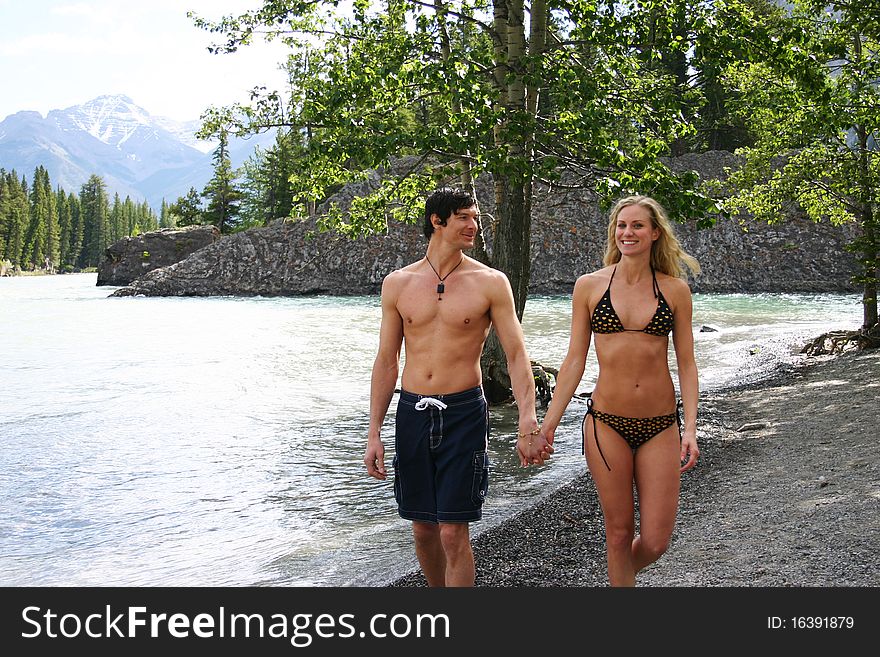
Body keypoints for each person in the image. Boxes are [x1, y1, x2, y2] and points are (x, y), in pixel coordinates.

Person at [364, 187, 552, 587]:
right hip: (412, 411)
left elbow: (517, 355)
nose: (474, 225)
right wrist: (373, 432)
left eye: (476, 217)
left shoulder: (490, 282)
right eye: (465, 217)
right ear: (438, 220)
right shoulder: (398, 283)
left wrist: (528, 421)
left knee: (453, 529)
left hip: (464, 412)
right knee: (423, 530)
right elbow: (386, 361)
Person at [539, 194, 700, 587]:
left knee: (658, 540)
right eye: (621, 225)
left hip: (661, 425)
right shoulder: (589, 286)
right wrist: (548, 426)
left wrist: (691, 429)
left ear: (655, 233)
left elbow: (687, 363)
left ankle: (617, 581)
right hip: (605, 423)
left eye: (637, 226)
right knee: (619, 532)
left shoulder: (675, 290)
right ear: (615, 232)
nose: (628, 232)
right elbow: (574, 360)